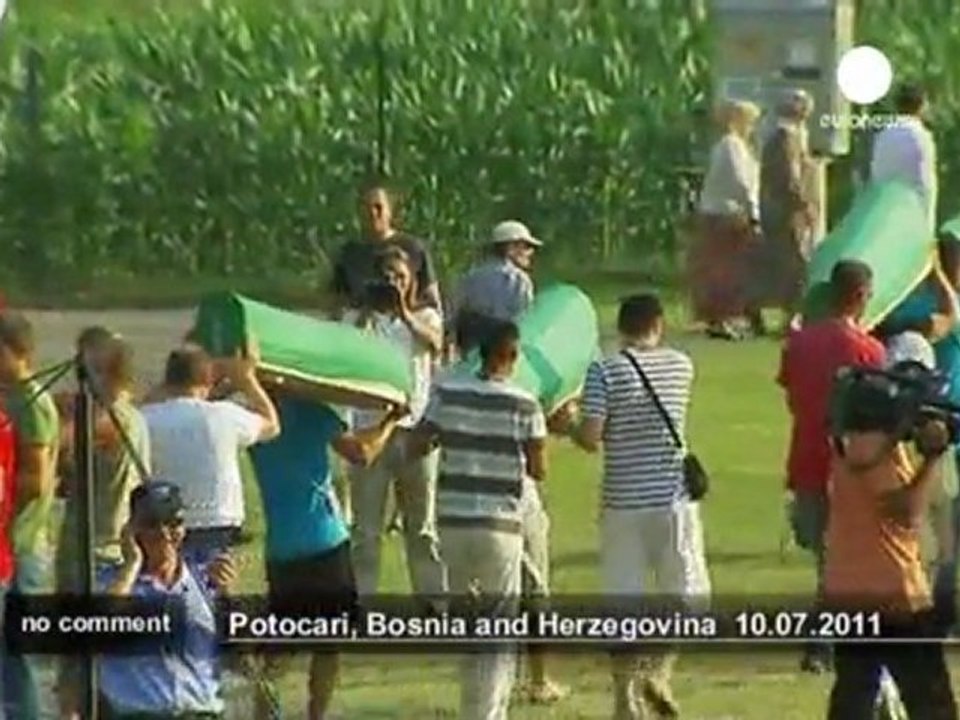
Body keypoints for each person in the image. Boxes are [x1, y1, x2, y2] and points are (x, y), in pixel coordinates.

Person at [552, 294, 710, 720]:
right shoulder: (681, 366)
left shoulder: (604, 370)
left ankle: (624, 702)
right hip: (671, 498)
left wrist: (566, 422)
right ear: (658, 324)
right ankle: (658, 671)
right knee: (690, 598)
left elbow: (591, 437)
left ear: (621, 328)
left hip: (622, 500)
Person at [409, 320, 547, 720]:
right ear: (513, 356)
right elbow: (539, 470)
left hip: (452, 521)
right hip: (500, 525)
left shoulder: (449, 392)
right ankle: (486, 712)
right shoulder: (525, 403)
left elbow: (420, 442)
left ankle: (482, 706)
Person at [248, 378, 407, 720]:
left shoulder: (252, 419)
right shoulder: (311, 412)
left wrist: (240, 379)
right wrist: (390, 420)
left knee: (278, 651)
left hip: (282, 547)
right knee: (328, 643)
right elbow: (362, 453)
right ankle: (315, 716)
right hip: (325, 541)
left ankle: (264, 715)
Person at [824, 372, 957, 719]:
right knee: (931, 700)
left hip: (847, 589)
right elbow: (906, 511)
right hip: (894, 591)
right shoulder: (874, 450)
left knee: (854, 696)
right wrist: (931, 458)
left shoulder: (848, 445)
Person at [777, 260, 887, 674]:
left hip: (805, 457)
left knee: (826, 555)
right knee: (841, 560)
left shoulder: (800, 344)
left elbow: (791, 397)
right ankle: (824, 643)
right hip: (849, 465)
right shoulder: (869, 351)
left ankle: (825, 640)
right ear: (860, 296)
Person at [54, 330, 153, 718]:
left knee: (77, 663)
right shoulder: (134, 419)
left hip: (95, 551)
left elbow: (59, 438)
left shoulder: (114, 421)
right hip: (112, 549)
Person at [343, 245, 446, 599]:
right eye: (388, 277)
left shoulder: (426, 316)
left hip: (415, 431)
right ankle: (363, 606)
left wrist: (403, 310)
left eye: (401, 277)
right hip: (371, 431)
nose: (395, 283)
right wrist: (369, 310)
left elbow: (435, 344)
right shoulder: (359, 319)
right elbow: (346, 349)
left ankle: (433, 604)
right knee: (366, 531)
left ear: (413, 281)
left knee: (422, 529)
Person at [97, 481, 236, 719]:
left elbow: (239, 658)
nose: (164, 534)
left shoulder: (203, 581)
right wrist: (132, 565)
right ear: (133, 531)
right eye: (152, 524)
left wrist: (227, 597)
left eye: (173, 523)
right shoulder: (111, 584)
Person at [141, 343, 279, 568]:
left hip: (162, 521)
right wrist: (246, 380)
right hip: (217, 520)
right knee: (213, 590)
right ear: (208, 380)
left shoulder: (146, 417)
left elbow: (143, 408)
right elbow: (271, 425)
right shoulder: (224, 415)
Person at [0, 312, 60, 719]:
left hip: (23, 543)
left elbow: (35, 479)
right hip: (10, 543)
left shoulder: (32, 401)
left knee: (21, 659)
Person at [690, 99, 764, 340]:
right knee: (727, 269)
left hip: (719, 212)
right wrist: (754, 211)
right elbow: (742, 182)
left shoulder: (728, 145)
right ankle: (722, 317)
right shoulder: (732, 146)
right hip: (726, 214)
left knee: (718, 268)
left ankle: (720, 317)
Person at [331, 181, 442, 317]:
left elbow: (432, 300)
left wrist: (404, 308)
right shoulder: (349, 254)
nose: (373, 213)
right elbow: (334, 300)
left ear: (390, 211)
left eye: (379, 207)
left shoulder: (412, 248)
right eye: (366, 207)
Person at [759, 88, 818, 334]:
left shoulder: (783, 137)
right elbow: (790, 178)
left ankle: (790, 315)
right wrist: (805, 205)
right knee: (795, 265)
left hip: (779, 212)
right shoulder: (787, 139)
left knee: (784, 265)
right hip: (786, 214)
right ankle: (792, 316)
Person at [448, 220, 542, 356]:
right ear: (510, 248)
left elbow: (456, 314)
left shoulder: (470, 277)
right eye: (526, 247)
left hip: (470, 353)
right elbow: (524, 322)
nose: (530, 252)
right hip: (502, 356)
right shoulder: (519, 280)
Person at [870, 82, 938, 233]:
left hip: (884, 213)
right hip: (913, 215)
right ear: (921, 106)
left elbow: (876, 174)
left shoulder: (883, 135)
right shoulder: (921, 136)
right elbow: (925, 182)